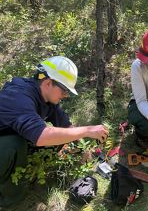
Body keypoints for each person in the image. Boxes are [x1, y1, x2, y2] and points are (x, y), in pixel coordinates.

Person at [0, 56, 109, 208]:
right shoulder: (18, 96)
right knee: (14, 144)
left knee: (59, 138)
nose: (65, 95)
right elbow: (41, 136)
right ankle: (9, 201)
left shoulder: (46, 99)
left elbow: (66, 128)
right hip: (6, 144)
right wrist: (87, 130)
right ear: (48, 83)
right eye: (64, 90)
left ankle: (26, 171)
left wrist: (84, 149)